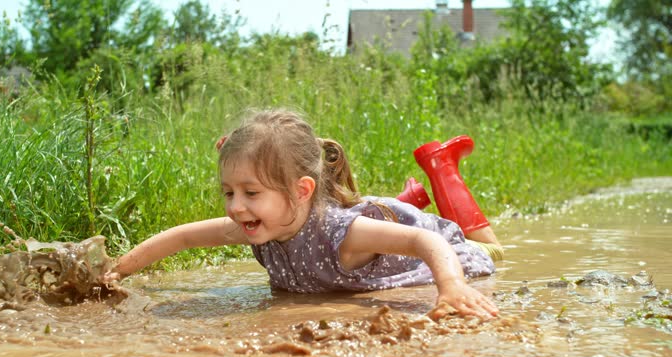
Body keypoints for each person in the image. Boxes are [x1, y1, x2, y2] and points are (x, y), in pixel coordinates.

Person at [103, 109, 504, 319]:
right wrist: (118, 270)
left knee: (492, 249)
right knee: (383, 218)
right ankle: (406, 199)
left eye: (251, 193)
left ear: (301, 191)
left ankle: (442, 166)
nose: (236, 206)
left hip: (452, 247)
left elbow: (427, 241)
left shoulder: (338, 233)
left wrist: (451, 287)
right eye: (229, 192)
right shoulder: (254, 225)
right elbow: (183, 237)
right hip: (377, 230)